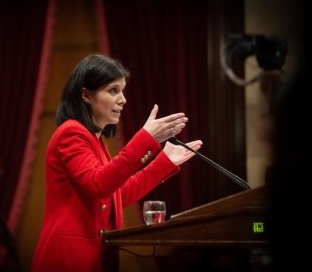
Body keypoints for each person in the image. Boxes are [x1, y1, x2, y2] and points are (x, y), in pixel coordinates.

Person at [30, 54, 203, 272]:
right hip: (69, 258)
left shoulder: (96, 140)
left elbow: (118, 195)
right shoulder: (71, 133)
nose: (123, 99)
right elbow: (99, 183)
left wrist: (163, 162)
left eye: (122, 90)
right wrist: (145, 139)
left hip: (93, 256)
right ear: (86, 95)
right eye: (113, 90)